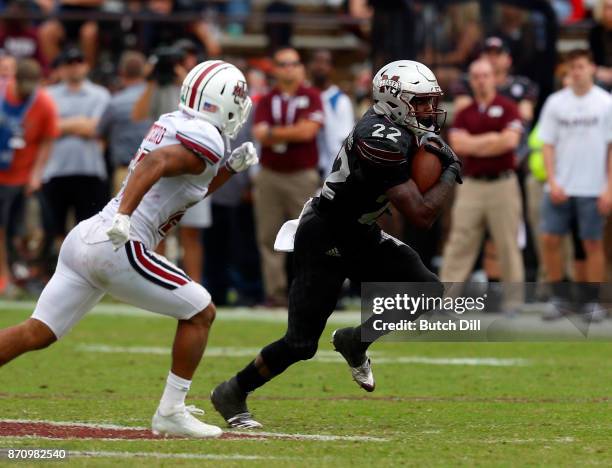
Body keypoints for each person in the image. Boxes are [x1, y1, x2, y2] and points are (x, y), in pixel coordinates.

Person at [0, 59, 259, 438]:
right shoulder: (207, 136)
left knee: (38, 331)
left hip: (88, 237)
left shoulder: (176, 121)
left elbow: (180, 192)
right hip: (119, 242)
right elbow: (159, 162)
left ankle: (173, 410)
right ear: (225, 102)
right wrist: (124, 214)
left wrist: (227, 171)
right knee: (201, 311)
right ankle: (171, 411)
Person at [210, 60, 462, 429]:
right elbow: (421, 215)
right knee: (300, 345)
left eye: (430, 101)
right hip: (325, 235)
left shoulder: (399, 127)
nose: (428, 110)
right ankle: (232, 391)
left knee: (427, 290)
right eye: (420, 102)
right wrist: (451, 172)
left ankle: (354, 341)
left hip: (360, 231)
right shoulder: (379, 136)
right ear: (394, 100)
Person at [537, 49, 612, 321]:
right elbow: (547, 144)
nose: (576, 72)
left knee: (592, 244)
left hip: (593, 187)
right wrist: (553, 181)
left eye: (581, 66)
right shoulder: (556, 103)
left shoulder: (605, 103)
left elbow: (610, 148)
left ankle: (592, 302)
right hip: (560, 187)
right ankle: (559, 297)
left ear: (592, 68)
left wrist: (609, 187)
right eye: (572, 67)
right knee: (550, 239)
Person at [440, 59, 524, 292]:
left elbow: (510, 141)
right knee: (459, 242)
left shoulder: (508, 107)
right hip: (472, 185)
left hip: (503, 183)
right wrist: (491, 139)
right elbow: (458, 144)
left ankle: (512, 301)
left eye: (485, 75)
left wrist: (476, 143)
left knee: (507, 243)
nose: (481, 81)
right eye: (476, 76)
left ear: (494, 78)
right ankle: (445, 299)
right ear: (471, 81)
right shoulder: (464, 113)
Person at [251, 47, 324, 307]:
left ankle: (309, 292)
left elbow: (308, 132)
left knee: (308, 235)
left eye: (293, 63)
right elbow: (259, 134)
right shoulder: (267, 99)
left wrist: (275, 133)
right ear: (275, 69)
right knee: (269, 236)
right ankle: (276, 293)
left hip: (301, 175)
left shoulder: (312, 96)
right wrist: (289, 132)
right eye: (283, 64)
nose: (288, 68)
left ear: (301, 68)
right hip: (270, 174)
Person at [41, 47, 110, 247]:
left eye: (78, 62)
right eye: (68, 64)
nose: (74, 68)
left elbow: (95, 128)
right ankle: (54, 272)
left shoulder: (100, 94)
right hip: (54, 170)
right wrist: (79, 122)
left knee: (91, 233)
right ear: (60, 69)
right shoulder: (47, 95)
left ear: (86, 66)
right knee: (53, 230)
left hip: (90, 171)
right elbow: (44, 128)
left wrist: (61, 125)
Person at [0, 59, 58, 293]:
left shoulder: (44, 103)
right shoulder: (2, 95)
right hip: (2, 174)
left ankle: (28, 273)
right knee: (1, 229)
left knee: (30, 229)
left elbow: (47, 140)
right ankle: (4, 276)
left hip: (24, 177)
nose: (28, 93)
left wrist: (36, 174)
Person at [97, 51, 151, 195]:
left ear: (121, 72)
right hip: (155, 171)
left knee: (122, 215)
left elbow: (99, 132)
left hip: (125, 171)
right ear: (144, 71)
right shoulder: (156, 98)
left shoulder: (115, 102)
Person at [308, 49, 355, 177]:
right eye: (317, 61)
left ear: (332, 68)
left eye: (325, 62)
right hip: (303, 170)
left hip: (330, 171)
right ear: (310, 65)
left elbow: (344, 140)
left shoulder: (340, 100)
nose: (320, 66)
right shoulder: (302, 96)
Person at [589, 0, 612, 90]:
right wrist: (597, 70)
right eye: (608, 8)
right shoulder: (596, 32)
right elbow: (593, 58)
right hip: (601, 73)